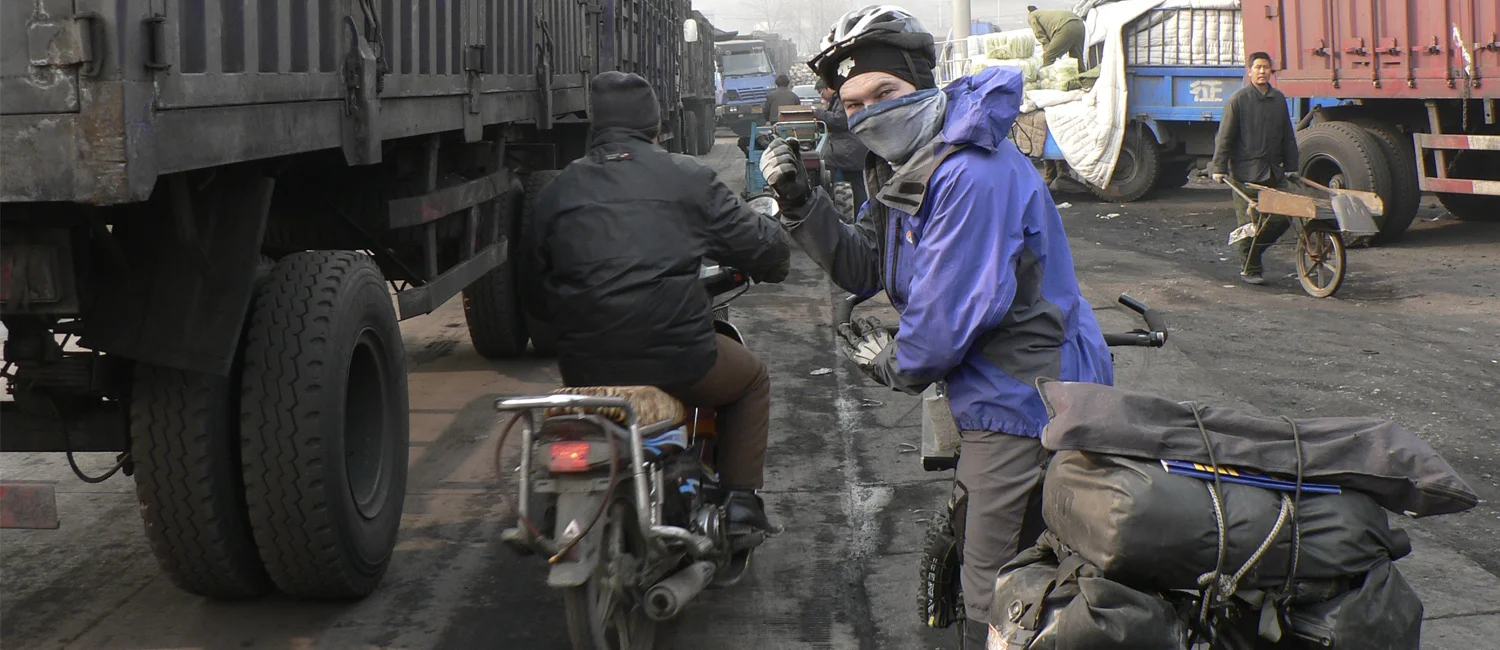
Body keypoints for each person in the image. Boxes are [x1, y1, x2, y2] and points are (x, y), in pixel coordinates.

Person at [758, 7, 1113, 646]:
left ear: (925, 84)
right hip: (990, 382)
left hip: (1023, 396)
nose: (869, 112)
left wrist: (894, 361)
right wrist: (800, 204)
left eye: (885, 93)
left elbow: (949, 316)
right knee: (1017, 544)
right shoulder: (907, 165)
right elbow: (869, 263)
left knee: (991, 576)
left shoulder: (969, 173)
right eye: (854, 101)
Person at [521, 71, 793, 538]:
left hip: (586, 368)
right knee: (751, 380)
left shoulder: (557, 191)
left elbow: (533, 296)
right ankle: (742, 504)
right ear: (657, 126)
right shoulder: (686, 177)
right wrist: (774, 252)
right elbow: (764, 250)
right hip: (679, 360)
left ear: (596, 126)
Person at [1210, 51, 1301, 285]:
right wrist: (1219, 167)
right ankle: (1250, 268)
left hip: (1273, 171)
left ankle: (1254, 251)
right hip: (1245, 175)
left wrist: (1292, 166)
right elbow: (1225, 137)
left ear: (1271, 71)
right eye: (1257, 67)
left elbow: (1287, 135)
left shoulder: (1278, 100)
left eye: (1266, 67)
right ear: (1249, 71)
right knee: (1249, 225)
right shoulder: (1238, 100)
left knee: (1283, 217)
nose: (1262, 71)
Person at [811, 78, 871, 211]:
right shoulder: (840, 99)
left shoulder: (841, 99)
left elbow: (840, 121)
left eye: (821, 93)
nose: (822, 97)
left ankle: (824, 203)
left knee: (822, 165)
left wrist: (821, 113)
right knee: (858, 186)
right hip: (856, 146)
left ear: (829, 89)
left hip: (848, 148)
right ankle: (861, 216)